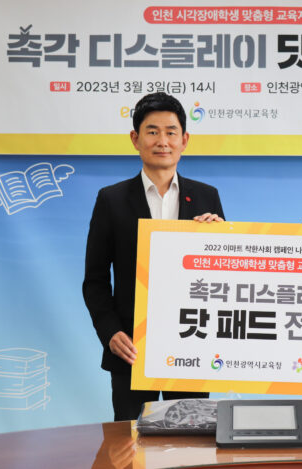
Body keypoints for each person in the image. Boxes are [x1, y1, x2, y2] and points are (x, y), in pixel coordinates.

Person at [83, 92, 224, 421]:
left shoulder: (207, 197)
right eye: (152, 131)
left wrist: (219, 240)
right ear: (135, 139)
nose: (163, 141)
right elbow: (95, 280)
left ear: (184, 140)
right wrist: (110, 333)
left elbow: (221, 278)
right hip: (132, 350)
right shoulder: (111, 200)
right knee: (130, 441)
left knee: (191, 440)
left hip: (191, 344)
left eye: (171, 132)